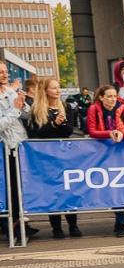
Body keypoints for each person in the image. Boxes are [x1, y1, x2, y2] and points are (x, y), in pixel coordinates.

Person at [26, 77, 80, 238]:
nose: (58, 91)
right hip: (46, 156)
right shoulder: (37, 110)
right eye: (54, 88)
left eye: (59, 87)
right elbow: (37, 133)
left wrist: (60, 125)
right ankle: (56, 227)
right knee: (52, 190)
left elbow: (69, 130)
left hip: (65, 154)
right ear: (45, 91)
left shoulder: (66, 106)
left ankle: (73, 224)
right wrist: (54, 124)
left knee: (69, 189)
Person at [87, 84, 124, 237]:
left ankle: (121, 220)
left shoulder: (122, 107)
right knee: (111, 185)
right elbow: (92, 130)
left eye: (114, 96)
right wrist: (109, 133)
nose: (112, 99)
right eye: (109, 96)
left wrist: (122, 134)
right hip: (102, 151)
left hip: (121, 150)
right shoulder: (94, 109)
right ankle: (121, 220)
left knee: (121, 184)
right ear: (101, 97)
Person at [0, 62, 38, 241]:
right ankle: (10, 226)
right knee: (9, 190)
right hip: (5, 149)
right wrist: (15, 110)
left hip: (21, 146)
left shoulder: (10, 92)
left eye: (5, 71)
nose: (4, 75)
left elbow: (27, 115)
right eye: (0, 72)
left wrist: (23, 106)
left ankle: (21, 223)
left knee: (21, 188)